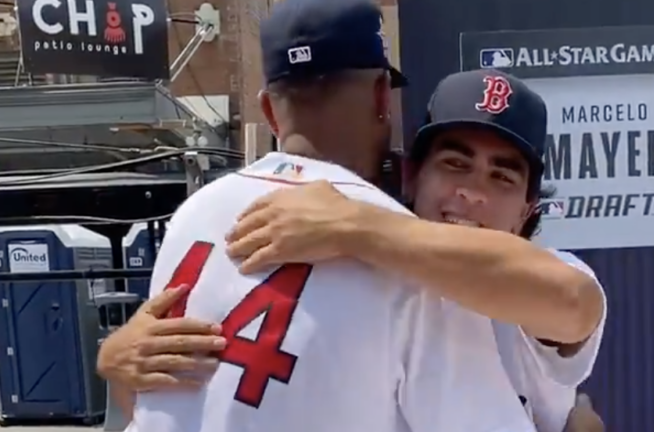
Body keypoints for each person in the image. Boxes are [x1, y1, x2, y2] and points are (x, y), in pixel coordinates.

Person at [100, 0, 536, 431]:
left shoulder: (194, 214)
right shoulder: (407, 257)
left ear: (269, 110)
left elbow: (145, 404)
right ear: (382, 96)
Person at [224, 69, 607, 432]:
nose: (472, 192)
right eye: (455, 164)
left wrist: (357, 224)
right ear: (413, 176)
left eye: (502, 177)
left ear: (526, 210)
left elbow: (574, 303)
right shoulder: (353, 264)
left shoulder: (548, 271)